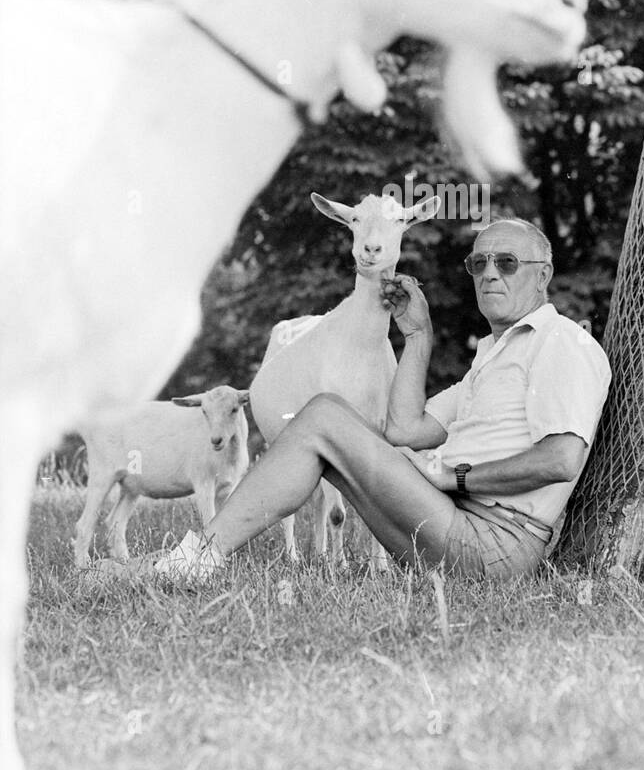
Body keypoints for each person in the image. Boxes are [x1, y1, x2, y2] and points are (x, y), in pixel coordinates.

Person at [140, 218, 610, 582]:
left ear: (543, 275)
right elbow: (402, 430)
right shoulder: (490, 358)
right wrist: (417, 334)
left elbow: (562, 458)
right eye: (478, 264)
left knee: (325, 415)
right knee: (329, 425)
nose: (489, 274)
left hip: (493, 542)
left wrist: (455, 477)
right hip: (449, 523)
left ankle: (199, 557)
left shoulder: (561, 341)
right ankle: (197, 555)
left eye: (506, 263)